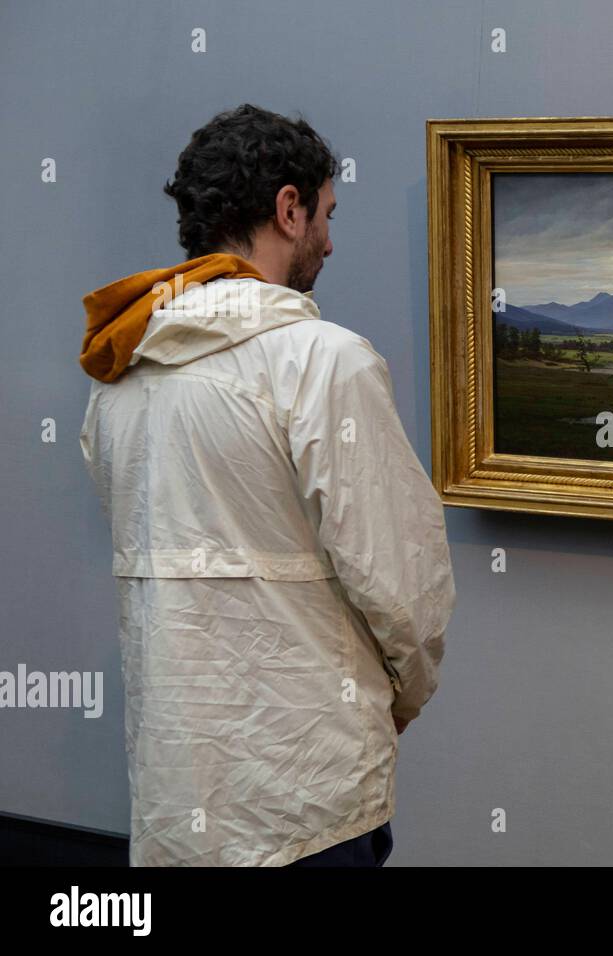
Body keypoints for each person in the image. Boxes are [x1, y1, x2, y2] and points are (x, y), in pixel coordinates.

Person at [77, 104, 456, 866]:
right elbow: (403, 587)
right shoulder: (326, 361)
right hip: (310, 795)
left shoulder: (118, 374)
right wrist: (398, 699)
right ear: (289, 209)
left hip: (178, 786)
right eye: (325, 213)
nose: (330, 239)